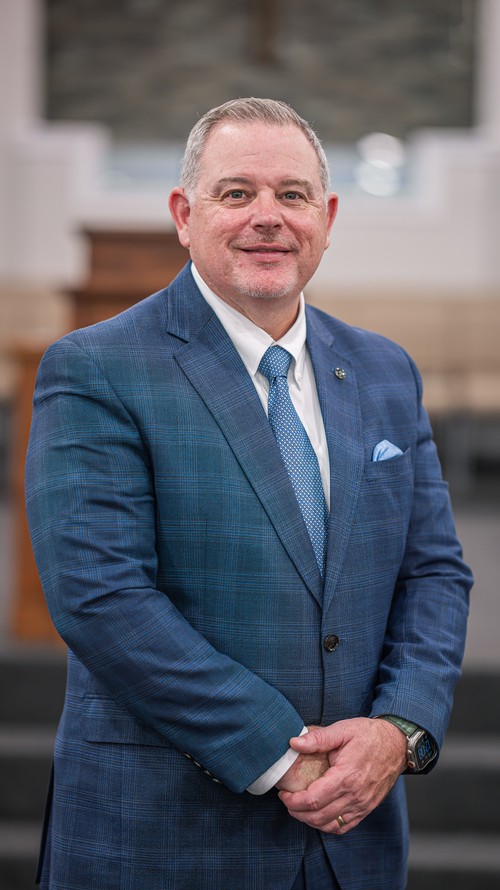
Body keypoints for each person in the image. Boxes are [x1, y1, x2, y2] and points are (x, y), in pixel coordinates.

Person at [26, 98, 472, 890]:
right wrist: (282, 755)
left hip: (353, 839)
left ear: (326, 219)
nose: (268, 216)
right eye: (236, 193)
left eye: (292, 194)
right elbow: (100, 596)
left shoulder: (384, 371)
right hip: (164, 835)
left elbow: (433, 572)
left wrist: (397, 730)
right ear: (183, 214)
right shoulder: (97, 368)